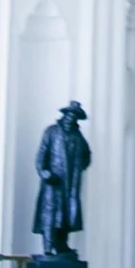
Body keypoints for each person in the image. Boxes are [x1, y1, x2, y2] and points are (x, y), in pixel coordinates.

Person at [32, 101, 90, 256]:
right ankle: (48, 246)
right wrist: (45, 172)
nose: (71, 118)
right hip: (54, 182)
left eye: (74, 115)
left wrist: (79, 167)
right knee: (50, 214)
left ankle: (62, 245)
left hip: (70, 183)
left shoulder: (78, 137)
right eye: (69, 114)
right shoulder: (51, 132)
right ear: (64, 115)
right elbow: (41, 156)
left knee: (66, 216)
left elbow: (87, 155)